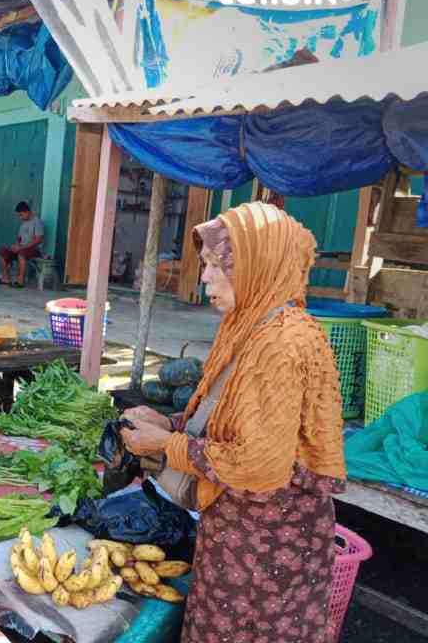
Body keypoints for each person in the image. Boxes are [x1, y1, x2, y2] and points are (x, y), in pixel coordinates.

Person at [120, 202, 346, 643]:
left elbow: (258, 464)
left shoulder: (283, 343)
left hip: (269, 548)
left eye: (216, 266)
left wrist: (166, 446)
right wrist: (168, 420)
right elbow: (230, 415)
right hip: (235, 531)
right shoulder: (251, 325)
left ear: (256, 264)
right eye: (204, 264)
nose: (204, 277)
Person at [0, 200, 43, 288]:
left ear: (27, 212)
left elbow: (38, 240)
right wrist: (16, 245)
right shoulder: (23, 223)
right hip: (22, 248)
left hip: (33, 250)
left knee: (21, 254)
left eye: (21, 214)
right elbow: (19, 238)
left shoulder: (37, 222)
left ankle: (20, 281)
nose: (20, 217)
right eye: (19, 215)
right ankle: (5, 279)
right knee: (1, 252)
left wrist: (22, 247)